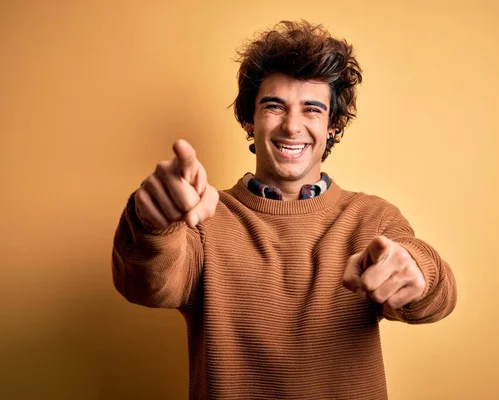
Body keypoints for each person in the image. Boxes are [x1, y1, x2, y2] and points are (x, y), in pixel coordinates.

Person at [112, 20, 457, 400]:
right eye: (274, 106)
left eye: (312, 110)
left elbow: (437, 297)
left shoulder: (370, 218)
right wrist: (154, 222)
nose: (292, 126)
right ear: (249, 118)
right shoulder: (204, 222)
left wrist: (416, 272)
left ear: (332, 126)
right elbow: (144, 285)